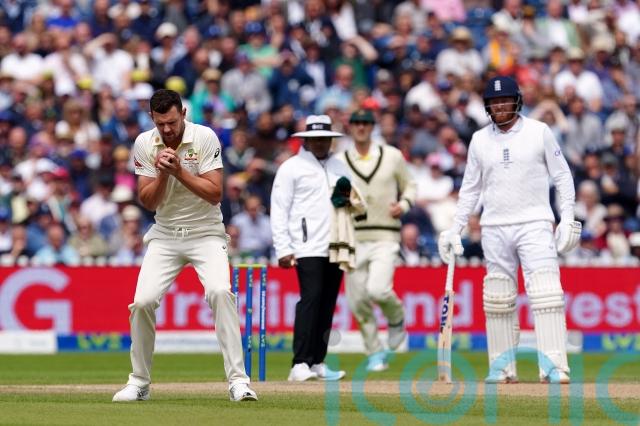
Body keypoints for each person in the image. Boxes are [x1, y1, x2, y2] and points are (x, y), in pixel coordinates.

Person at [112, 89, 257, 402]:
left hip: (206, 232)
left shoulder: (204, 137)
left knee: (220, 293)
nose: (167, 129)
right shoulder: (144, 143)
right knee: (142, 302)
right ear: (152, 118)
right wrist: (163, 175)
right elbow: (148, 201)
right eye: (161, 123)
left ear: (183, 114)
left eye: (172, 122)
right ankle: (139, 383)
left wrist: (178, 170)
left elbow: (215, 193)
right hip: (165, 234)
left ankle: (239, 382)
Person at [438, 76, 581, 384]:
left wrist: (567, 216)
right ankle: (502, 368)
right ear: (487, 106)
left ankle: (554, 366)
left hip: (535, 222)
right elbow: (470, 189)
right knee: (498, 298)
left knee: (546, 293)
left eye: (505, 100)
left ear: (517, 101)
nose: (500, 106)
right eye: (494, 102)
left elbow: (562, 176)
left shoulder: (539, 131)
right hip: (494, 226)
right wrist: (455, 228)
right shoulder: (479, 139)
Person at [270, 114, 353, 382]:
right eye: (315, 139)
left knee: (328, 303)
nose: (320, 143)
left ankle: (317, 360)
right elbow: (279, 209)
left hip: (336, 245)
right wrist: (283, 247)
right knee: (311, 299)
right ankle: (299, 363)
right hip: (306, 246)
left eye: (324, 139)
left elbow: (348, 205)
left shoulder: (340, 166)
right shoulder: (291, 168)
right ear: (306, 140)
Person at [336, 109, 417, 371]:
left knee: (378, 289)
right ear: (350, 127)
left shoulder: (391, 155)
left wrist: (403, 205)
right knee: (357, 301)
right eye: (356, 123)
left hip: (385, 234)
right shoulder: (340, 160)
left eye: (365, 123)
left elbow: (411, 184)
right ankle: (374, 352)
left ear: (373, 127)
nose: (361, 127)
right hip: (353, 237)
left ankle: (396, 317)